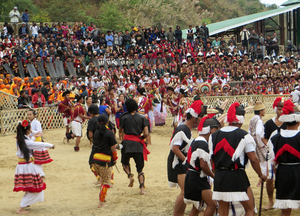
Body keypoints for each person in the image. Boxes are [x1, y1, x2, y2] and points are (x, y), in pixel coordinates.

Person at [210, 102, 267, 216]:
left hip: (220, 176)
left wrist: (217, 173)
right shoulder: (244, 136)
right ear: (241, 119)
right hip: (237, 175)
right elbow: (254, 159)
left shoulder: (214, 135)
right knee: (250, 209)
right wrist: (261, 175)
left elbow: (212, 159)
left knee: (223, 212)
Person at [168, 100, 204, 216]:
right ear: (194, 118)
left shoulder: (187, 129)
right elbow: (175, 148)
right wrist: (186, 161)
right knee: (184, 192)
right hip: (178, 162)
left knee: (186, 192)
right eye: (200, 117)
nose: (200, 120)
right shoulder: (183, 129)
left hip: (182, 161)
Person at [14, 120, 54, 214]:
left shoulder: (21, 139)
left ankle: (26, 203)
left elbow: (30, 142)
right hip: (26, 166)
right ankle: (20, 209)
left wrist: (33, 136)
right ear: (27, 130)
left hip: (24, 166)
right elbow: (37, 144)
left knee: (30, 186)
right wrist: (50, 145)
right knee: (36, 187)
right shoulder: (25, 141)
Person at [268, 100, 300, 216]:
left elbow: (273, 163)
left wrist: (279, 176)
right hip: (298, 172)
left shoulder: (274, 138)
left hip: (282, 174)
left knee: (285, 211)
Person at [184, 114, 218, 216]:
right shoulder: (203, 143)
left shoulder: (196, 140)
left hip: (193, 176)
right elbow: (203, 165)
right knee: (212, 204)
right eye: (215, 130)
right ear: (210, 130)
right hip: (197, 178)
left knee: (197, 207)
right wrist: (214, 176)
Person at [119, 98, 150, 195]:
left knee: (125, 163)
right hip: (137, 143)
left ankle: (130, 176)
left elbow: (120, 131)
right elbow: (146, 133)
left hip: (127, 143)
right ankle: (142, 189)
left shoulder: (123, 117)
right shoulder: (142, 118)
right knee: (140, 169)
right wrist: (140, 137)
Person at [89, 114, 118, 208]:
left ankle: (102, 198)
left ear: (98, 122)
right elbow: (113, 148)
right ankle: (101, 203)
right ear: (107, 122)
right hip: (105, 161)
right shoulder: (109, 133)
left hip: (96, 160)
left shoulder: (96, 132)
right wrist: (115, 158)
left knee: (103, 181)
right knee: (106, 182)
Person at [263, 97, 286, 210]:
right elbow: (264, 137)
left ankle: (283, 200)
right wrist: (269, 146)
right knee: (269, 178)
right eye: (279, 109)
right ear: (275, 109)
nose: (280, 111)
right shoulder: (269, 123)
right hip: (271, 154)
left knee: (284, 178)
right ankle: (271, 201)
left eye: (282, 109)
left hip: (285, 155)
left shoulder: (288, 123)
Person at [27, 109, 53, 178]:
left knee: (37, 158)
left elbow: (39, 132)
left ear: (34, 115)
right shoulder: (29, 122)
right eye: (28, 114)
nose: (28, 116)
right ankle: (38, 173)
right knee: (34, 157)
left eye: (30, 114)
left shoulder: (37, 122)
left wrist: (30, 131)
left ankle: (40, 173)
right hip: (31, 140)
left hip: (37, 140)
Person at [248, 101, 267, 187]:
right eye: (263, 110)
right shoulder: (259, 121)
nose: (264, 111)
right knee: (264, 162)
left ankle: (261, 181)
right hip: (259, 143)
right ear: (260, 111)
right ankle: (260, 182)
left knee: (263, 162)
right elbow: (259, 134)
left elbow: (249, 131)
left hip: (253, 142)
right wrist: (261, 144)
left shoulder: (252, 119)